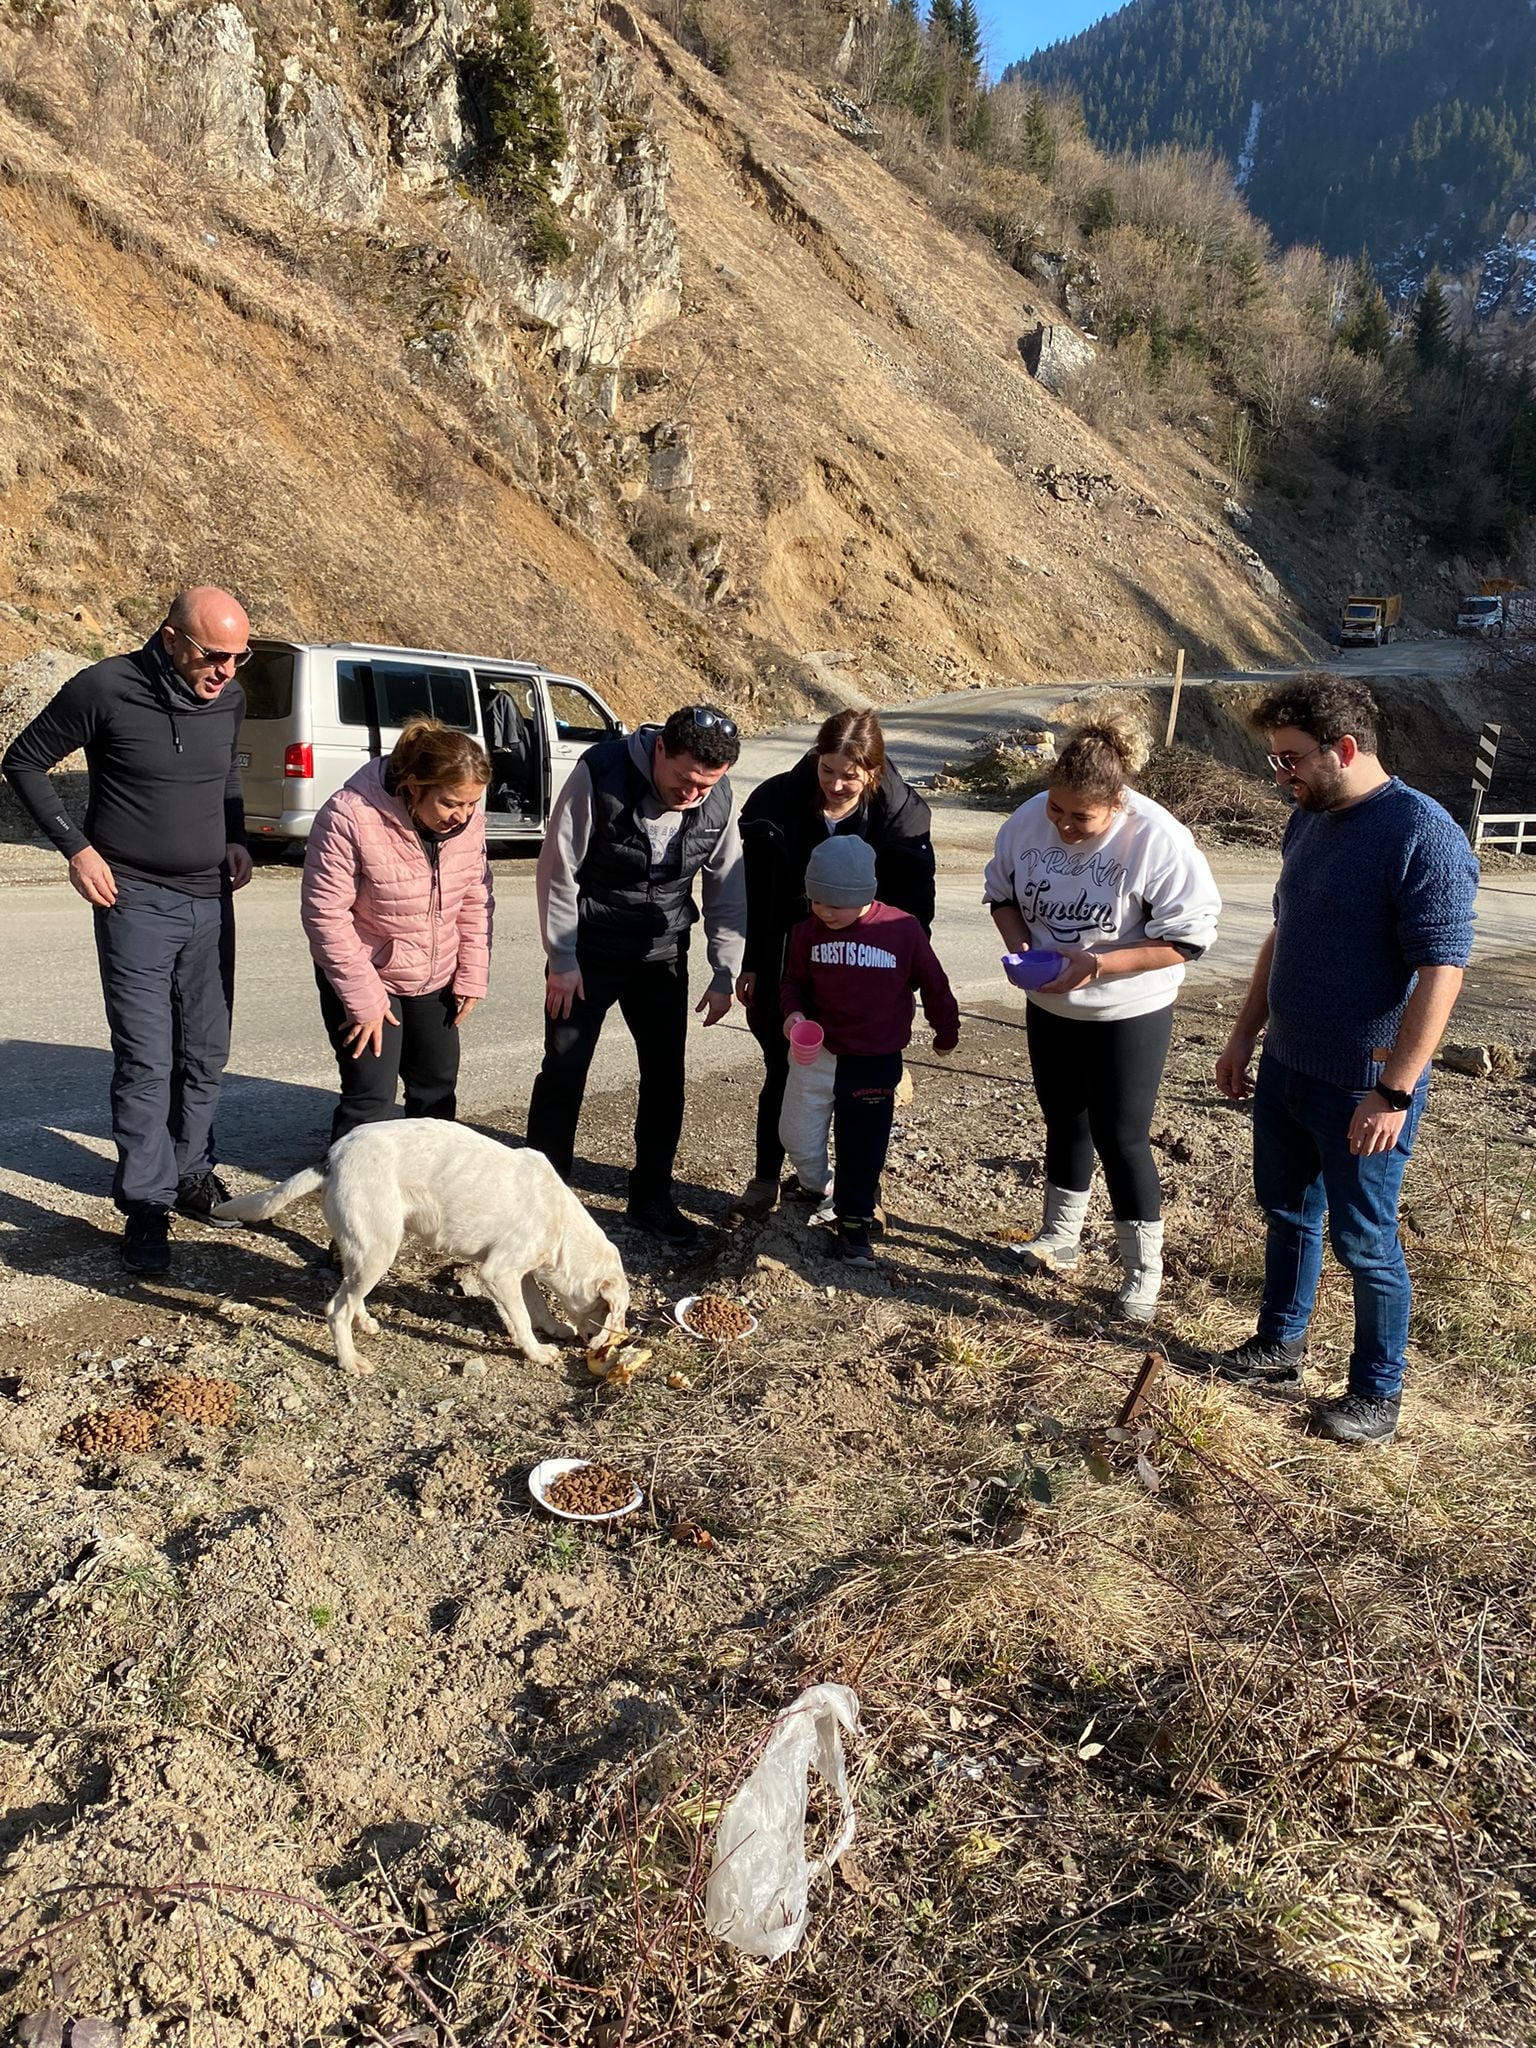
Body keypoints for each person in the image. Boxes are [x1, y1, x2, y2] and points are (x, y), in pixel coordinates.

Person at [1215, 675, 1477, 1445]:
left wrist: (1394, 1091)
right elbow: (1282, 934)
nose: (1282, 774)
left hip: (1366, 1082)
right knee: (1288, 1211)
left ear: (1346, 750)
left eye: (1291, 758)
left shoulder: (1421, 834)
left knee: (1364, 1239)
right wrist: (1243, 1034)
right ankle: (1279, 1344)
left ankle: (1376, 1395)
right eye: (1275, 760)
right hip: (1291, 1066)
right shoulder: (1310, 817)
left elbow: (1442, 973)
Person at [2, 587, 253, 1274]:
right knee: (147, 1058)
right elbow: (22, 761)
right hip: (133, 897)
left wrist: (234, 837)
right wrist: (75, 848)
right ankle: (146, 1204)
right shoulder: (104, 687)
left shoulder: (227, 697)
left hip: (211, 898)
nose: (228, 671)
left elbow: (226, 774)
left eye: (240, 657)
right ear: (171, 637)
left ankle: (192, 1171)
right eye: (214, 655)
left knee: (205, 1050)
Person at [983, 714, 1221, 1321]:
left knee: (1122, 1137)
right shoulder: (1029, 820)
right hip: (1051, 1002)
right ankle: (1059, 1239)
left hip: (1128, 1008)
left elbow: (1187, 941)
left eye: (1079, 817)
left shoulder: (1158, 840)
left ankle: (1143, 1271)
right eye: (1057, 809)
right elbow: (1004, 895)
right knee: (1063, 1120)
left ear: (1117, 802)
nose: (1063, 825)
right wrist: (1022, 951)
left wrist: (1096, 966)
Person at [525, 703, 745, 1247]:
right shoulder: (601, 773)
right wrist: (562, 959)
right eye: (685, 779)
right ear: (661, 750)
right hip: (589, 953)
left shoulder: (718, 798)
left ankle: (651, 1198)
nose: (692, 794)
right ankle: (541, 1199)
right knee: (564, 1072)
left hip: (661, 953)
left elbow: (726, 887)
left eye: (706, 784)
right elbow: (558, 868)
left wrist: (725, 970)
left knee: (666, 1078)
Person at [734, 708, 936, 1219]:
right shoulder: (775, 802)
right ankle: (767, 1176)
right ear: (815, 758)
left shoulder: (901, 815)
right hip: (790, 963)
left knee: (859, 1088)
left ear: (874, 769)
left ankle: (859, 1192)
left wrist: (901, 986)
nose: (838, 784)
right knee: (783, 1069)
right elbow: (757, 896)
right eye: (828, 770)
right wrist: (753, 964)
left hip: (865, 971)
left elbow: (916, 913)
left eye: (852, 775)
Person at [300, 717, 493, 1143]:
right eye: (449, 803)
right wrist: (364, 999)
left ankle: (429, 1186)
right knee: (371, 1097)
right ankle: (351, 1192)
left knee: (436, 1089)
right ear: (413, 785)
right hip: (367, 972)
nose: (461, 816)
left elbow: (475, 897)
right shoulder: (349, 813)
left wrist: (472, 973)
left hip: (434, 972)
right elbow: (325, 914)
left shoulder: (467, 821)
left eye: (471, 804)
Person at [779, 836, 959, 1266]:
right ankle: (815, 1183)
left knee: (863, 1145)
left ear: (864, 895)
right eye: (817, 901)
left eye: (834, 905)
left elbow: (934, 983)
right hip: (817, 1054)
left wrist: (945, 1029)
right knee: (797, 1135)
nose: (824, 911)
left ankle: (855, 1222)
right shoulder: (806, 931)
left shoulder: (900, 929)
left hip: (875, 1060)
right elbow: (793, 983)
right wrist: (793, 1014)